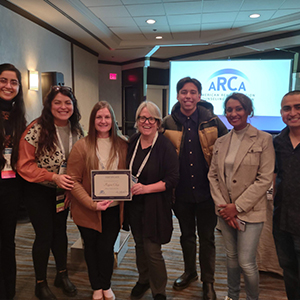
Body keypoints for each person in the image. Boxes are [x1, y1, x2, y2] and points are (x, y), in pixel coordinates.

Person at [162, 77, 227, 300]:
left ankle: (208, 282)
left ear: (199, 96)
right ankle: (190, 272)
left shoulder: (213, 121)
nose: (188, 96)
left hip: (208, 192)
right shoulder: (168, 123)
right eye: (183, 92)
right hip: (180, 193)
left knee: (207, 237)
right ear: (178, 95)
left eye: (192, 92)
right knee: (187, 236)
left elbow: (228, 148)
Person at [17, 85, 83, 300]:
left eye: (67, 103)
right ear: (49, 105)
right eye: (58, 102)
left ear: (73, 106)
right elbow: (24, 165)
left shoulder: (76, 129)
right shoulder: (36, 128)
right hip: (38, 191)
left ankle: (61, 274)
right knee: (44, 236)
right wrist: (53, 177)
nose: (63, 107)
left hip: (63, 192)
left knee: (60, 233)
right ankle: (40, 282)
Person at [208, 92, 275, 300]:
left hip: (250, 212)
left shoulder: (264, 139)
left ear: (248, 111)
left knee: (247, 262)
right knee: (231, 258)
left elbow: (264, 179)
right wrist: (224, 208)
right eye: (229, 109)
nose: (233, 113)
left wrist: (236, 208)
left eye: (238, 109)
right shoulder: (221, 142)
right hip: (224, 211)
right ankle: (231, 296)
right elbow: (213, 176)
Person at [67, 101, 128, 300]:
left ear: (113, 120)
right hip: (87, 208)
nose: (103, 121)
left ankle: (106, 284)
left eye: (107, 117)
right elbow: (73, 181)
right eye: (99, 117)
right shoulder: (81, 146)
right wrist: (91, 203)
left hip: (113, 208)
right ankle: (96, 286)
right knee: (91, 248)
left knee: (106, 248)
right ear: (93, 120)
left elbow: (130, 175)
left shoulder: (123, 144)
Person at [127, 101, 179, 300]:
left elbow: (173, 179)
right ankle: (143, 279)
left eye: (151, 118)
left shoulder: (165, 146)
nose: (146, 122)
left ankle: (159, 291)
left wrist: (146, 189)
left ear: (158, 122)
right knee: (139, 246)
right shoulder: (132, 141)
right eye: (142, 117)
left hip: (155, 206)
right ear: (137, 121)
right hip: (134, 205)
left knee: (152, 251)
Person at [0, 63, 26, 300]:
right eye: (3, 80)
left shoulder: (20, 116)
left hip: (10, 186)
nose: (8, 86)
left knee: (8, 240)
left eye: (14, 82)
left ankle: (8, 291)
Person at [273, 90, 300, 300]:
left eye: (298, 107)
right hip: (282, 220)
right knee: (289, 270)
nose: (292, 112)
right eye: (287, 108)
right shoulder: (277, 142)